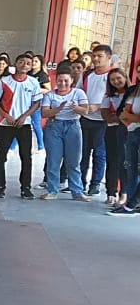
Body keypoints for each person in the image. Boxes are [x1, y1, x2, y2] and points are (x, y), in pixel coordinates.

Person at [0, 52, 43, 200]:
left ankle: (25, 188)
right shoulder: (4, 81)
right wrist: (6, 116)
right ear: (16, 63)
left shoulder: (33, 82)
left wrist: (25, 116)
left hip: (24, 124)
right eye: (21, 62)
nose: (24, 65)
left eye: (28, 63)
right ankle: (0, 187)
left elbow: (37, 103)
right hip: (5, 124)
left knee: (26, 157)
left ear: (31, 67)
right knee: (1, 156)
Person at [40, 63, 96, 201]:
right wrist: (58, 109)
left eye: (66, 80)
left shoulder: (78, 93)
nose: (63, 84)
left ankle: (77, 191)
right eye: (60, 80)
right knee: (53, 160)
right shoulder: (50, 95)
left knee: (74, 161)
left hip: (73, 126)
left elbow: (85, 110)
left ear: (71, 80)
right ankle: (52, 190)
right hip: (54, 126)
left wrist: (75, 108)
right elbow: (44, 113)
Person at [79, 44, 115, 198]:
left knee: (100, 153)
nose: (96, 59)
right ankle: (80, 183)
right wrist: (84, 106)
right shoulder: (87, 75)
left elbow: (118, 97)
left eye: (100, 56)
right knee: (82, 152)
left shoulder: (113, 76)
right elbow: (78, 92)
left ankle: (95, 184)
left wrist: (99, 107)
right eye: (94, 56)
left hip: (103, 121)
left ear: (109, 57)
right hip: (85, 118)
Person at [108, 71, 140, 214]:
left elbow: (129, 114)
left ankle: (133, 204)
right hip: (130, 131)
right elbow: (121, 112)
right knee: (130, 167)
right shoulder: (133, 90)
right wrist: (130, 120)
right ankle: (130, 202)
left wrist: (130, 117)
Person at [103, 69, 132, 207]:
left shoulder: (133, 93)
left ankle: (125, 193)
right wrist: (120, 117)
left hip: (130, 130)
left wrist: (121, 117)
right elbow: (105, 114)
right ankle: (111, 192)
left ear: (125, 77)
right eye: (112, 79)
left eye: (118, 78)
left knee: (127, 162)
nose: (116, 81)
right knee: (113, 161)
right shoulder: (109, 95)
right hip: (112, 130)